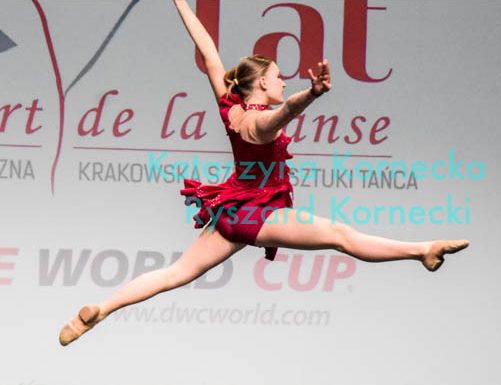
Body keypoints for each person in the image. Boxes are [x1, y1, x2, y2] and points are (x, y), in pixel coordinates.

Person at [58, 0, 469, 346]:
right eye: (279, 77)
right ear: (261, 86)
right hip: (258, 213)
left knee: (176, 273)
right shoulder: (256, 121)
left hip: (234, 209)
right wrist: (311, 94)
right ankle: (422, 249)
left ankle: (100, 309)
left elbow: (207, 48)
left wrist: (180, 2)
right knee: (340, 236)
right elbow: (281, 113)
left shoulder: (229, 101)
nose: (283, 81)